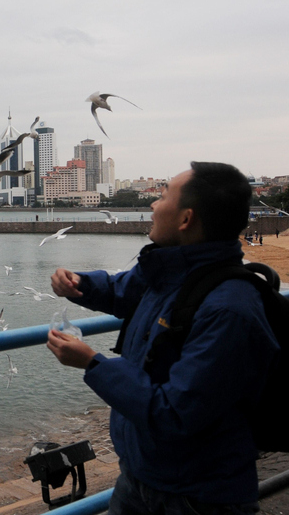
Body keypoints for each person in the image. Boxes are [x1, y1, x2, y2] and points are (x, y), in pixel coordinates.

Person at [45, 162, 278, 515]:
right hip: (140, 478)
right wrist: (79, 284)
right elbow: (123, 290)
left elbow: (175, 414)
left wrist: (93, 363)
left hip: (197, 498)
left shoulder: (229, 311)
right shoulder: (170, 272)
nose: (153, 204)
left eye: (164, 195)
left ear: (186, 219)